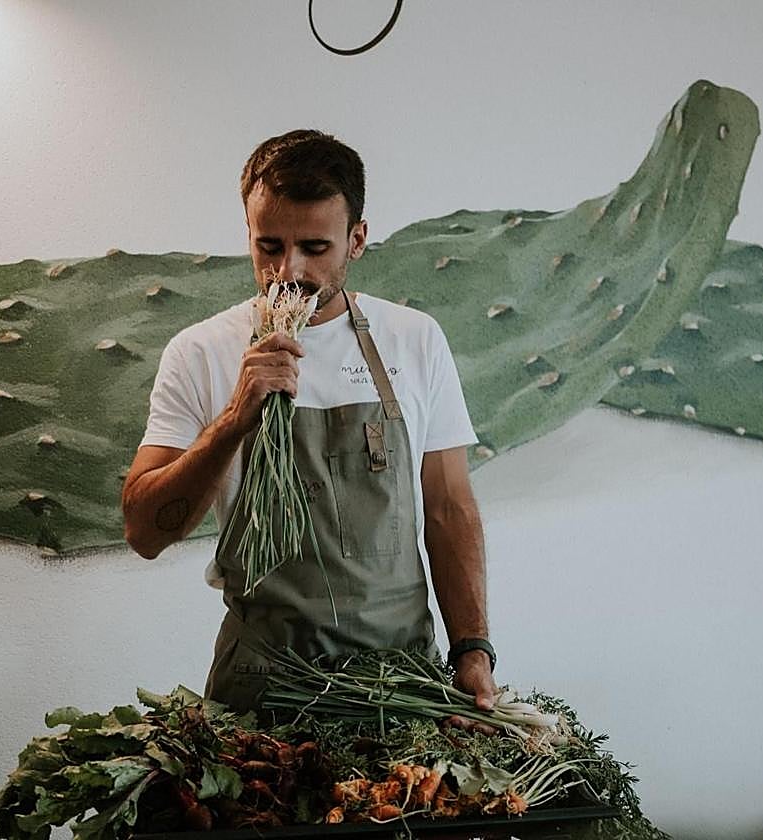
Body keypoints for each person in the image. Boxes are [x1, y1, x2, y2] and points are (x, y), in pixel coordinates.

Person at [121, 129, 496, 719]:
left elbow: (449, 508)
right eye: (268, 245)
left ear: (357, 240)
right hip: (262, 689)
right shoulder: (199, 352)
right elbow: (144, 532)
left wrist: (472, 648)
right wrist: (233, 422)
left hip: (401, 683)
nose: (286, 271)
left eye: (314, 248)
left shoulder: (414, 340)